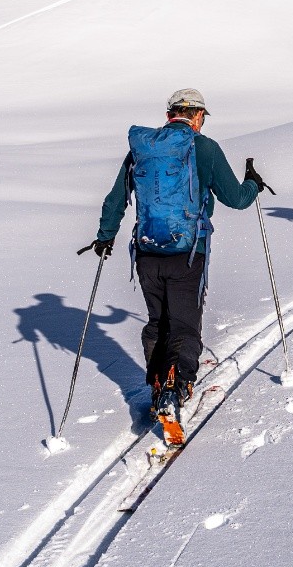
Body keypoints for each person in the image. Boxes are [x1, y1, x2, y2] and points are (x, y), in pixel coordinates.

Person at [84, 88, 266, 421]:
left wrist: (105, 236)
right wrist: (253, 183)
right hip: (188, 252)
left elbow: (116, 198)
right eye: (202, 117)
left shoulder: (144, 148)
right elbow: (237, 199)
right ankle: (176, 387)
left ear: (169, 114)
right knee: (184, 326)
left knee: (158, 321)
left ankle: (157, 383)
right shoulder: (205, 148)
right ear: (196, 116)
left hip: (146, 251)